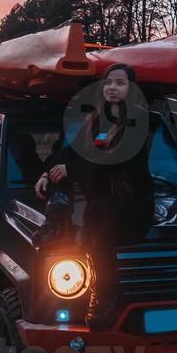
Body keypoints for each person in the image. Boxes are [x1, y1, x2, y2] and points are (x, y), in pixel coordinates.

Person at [33, 63, 155, 327]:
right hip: (104, 202)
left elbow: (114, 161)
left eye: (120, 83)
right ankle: (54, 222)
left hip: (132, 205)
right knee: (66, 173)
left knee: (97, 214)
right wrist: (47, 173)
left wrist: (70, 169)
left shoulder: (139, 122)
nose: (113, 87)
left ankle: (105, 295)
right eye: (109, 82)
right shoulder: (99, 120)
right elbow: (76, 152)